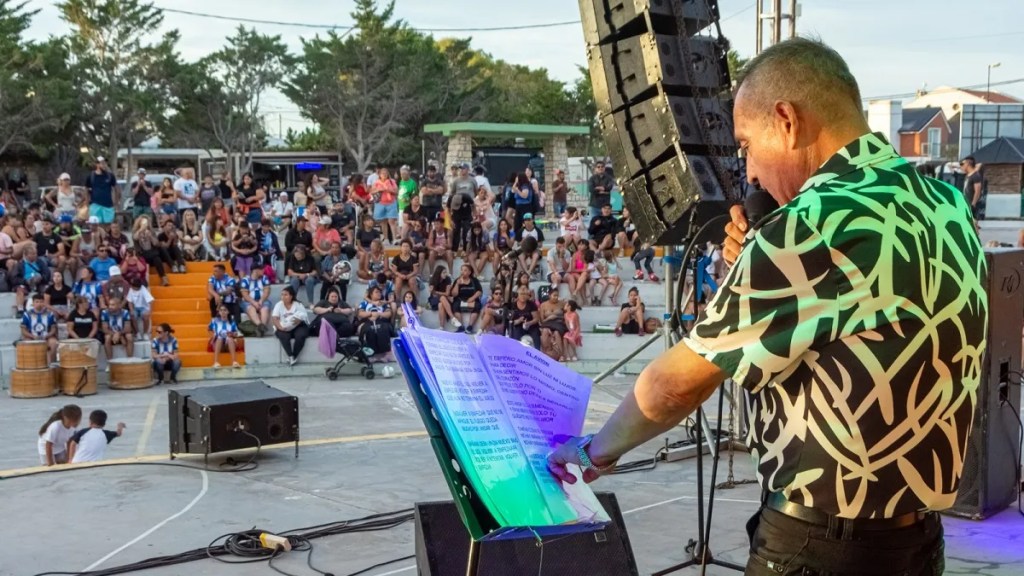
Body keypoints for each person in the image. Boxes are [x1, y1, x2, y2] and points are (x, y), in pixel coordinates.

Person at [548, 38, 986, 576]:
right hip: (917, 541)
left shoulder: (811, 223)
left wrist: (596, 451)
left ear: (787, 120)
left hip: (823, 546)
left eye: (748, 144)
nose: (749, 172)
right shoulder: (944, 203)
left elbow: (675, 383)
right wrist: (757, 262)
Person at [272, 286, 310, 366]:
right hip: (283, 325)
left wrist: (298, 321)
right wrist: (280, 327)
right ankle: (290, 355)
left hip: (299, 325)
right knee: (283, 336)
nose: (283, 297)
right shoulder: (278, 305)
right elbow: (275, 318)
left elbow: (304, 316)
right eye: (282, 295)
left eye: (285, 295)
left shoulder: (298, 305)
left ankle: (294, 356)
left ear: (291, 296)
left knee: (300, 336)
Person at [357, 285, 395, 362]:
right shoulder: (364, 303)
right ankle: (370, 354)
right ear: (371, 294)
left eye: (380, 292)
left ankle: (384, 354)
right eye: (376, 292)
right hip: (368, 321)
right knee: (369, 330)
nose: (379, 294)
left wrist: (379, 314)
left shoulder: (383, 304)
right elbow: (360, 314)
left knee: (383, 329)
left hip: (381, 321)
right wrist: (371, 314)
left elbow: (388, 314)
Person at [11, 245, 51, 317]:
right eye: (32, 254)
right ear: (26, 255)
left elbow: (47, 274)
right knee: (20, 289)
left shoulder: (40, 262)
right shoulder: (20, 264)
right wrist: (25, 281)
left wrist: (41, 278)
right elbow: (14, 278)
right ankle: (20, 309)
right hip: (25, 283)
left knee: (47, 289)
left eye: (35, 253)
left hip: (39, 283)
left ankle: (46, 308)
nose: (35, 255)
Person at [21, 293, 58, 363]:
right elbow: (23, 330)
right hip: (31, 336)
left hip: (47, 336)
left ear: (44, 302)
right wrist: (33, 336)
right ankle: (30, 364)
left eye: (41, 301)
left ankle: (52, 364)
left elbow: (53, 329)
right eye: (37, 302)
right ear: (33, 303)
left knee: (53, 343)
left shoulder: (50, 314)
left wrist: (47, 336)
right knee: (27, 342)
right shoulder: (27, 314)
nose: (39, 303)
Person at [133, 216, 170, 286]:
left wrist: (150, 236)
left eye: (146, 222)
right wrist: (141, 229)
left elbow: (156, 244)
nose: (145, 224)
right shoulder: (136, 232)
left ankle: (164, 278)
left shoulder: (151, 232)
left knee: (157, 258)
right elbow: (135, 238)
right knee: (155, 255)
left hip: (152, 255)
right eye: (143, 222)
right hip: (142, 255)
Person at [448, 163, 476, 254]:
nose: (462, 171)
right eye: (461, 169)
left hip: (468, 205)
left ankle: (465, 249)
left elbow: (476, 191)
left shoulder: (472, 180)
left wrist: (474, 210)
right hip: (458, 205)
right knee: (456, 229)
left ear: (467, 170)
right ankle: (455, 249)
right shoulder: (456, 181)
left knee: (466, 229)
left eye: (463, 169)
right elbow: (452, 193)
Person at [84, 157, 119, 224]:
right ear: (97, 164)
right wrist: (87, 203)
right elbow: (86, 189)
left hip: (108, 206)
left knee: (108, 225)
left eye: (105, 163)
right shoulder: (91, 176)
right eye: (102, 163)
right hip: (95, 205)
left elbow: (116, 188)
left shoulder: (110, 176)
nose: (104, 165)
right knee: (96, 225)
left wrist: (116, 203)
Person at [449, 264, 482, 334]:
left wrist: (472, 298)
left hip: (472, 300)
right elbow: (454, 294)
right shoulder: (457, 280)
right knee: (455, 305)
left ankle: (470, 327)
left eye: (465, 270)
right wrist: (457, 284)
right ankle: (461, 327)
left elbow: (479, 292)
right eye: (462, 270)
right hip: (460, 300)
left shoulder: (474, 280)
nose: (462, 272)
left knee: (477, 306)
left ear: (469, 272)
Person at [240, 267, 272, 336]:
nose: (263, 270)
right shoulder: (246, 280)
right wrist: (254, 302)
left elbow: (267, 292)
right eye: (261, 269)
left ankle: (261, 329)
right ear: (256, 270)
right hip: (248, 301)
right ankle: (261, 326)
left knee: (265, 308)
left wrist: (261, 301)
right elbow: (245, 295)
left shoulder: (264, 278)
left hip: (263, 300)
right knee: (250, 308)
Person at [371, 167, 400, 244]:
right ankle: (386, 238)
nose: (384, 175)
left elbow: (396, 191)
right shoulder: (376, 182)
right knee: (383, 221)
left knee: (391, 221)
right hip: (380, 203)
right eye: (383, 173)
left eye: (386, 173)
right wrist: (378, 190)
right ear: (380, 175)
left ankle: (394, 239)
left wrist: (388, 190)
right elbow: (372, 191)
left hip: (391, 203)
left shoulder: (392, 181)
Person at [101, 297, 134, 362]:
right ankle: (110, 362)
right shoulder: (105, 312)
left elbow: (128, 328)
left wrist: (119, 334)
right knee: (107, 338)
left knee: (129, 337)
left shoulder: (125, 312)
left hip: (122, 332)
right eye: (109, 304)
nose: (110, 306)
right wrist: (116, 334)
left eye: (113, 305)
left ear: (119, 305)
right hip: (111, 333)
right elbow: (105, 329)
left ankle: (130, 360)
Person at [209, 304, 240, 369]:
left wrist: (232, 334)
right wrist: (213, 336)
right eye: (221, 310)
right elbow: (209, 330)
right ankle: (216, 362)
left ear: (228, 312)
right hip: (218, 343)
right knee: (219, 338)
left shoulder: (232, 321)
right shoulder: (214, 321)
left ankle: (234, 362)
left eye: (225, 310)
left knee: (230, 339)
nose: (223, 312)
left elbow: (236, 334)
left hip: (228, 344)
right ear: (219, 312)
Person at [538, 289, 566, 360]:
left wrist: (557, 316)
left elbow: (566, 316)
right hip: (547, 323)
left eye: (557, 295)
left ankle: (560, 354)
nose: (556, 297)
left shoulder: (562, 303)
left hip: (559, 324)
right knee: (545, 331)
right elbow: (542, 321)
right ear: (549, 295)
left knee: (556, 333)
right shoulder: (543, 305)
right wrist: (549, 318)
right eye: (554, 295)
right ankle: (546, 353)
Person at [427, 265, 456, 330]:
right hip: (434, 299)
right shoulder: (432, 279)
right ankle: (452, 317)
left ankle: (441, 327)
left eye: (446, 272)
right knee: (442, 297)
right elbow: (433, 294)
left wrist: (436, 292)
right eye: (443, 272)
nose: (445, 274)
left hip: (444, 301)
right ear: (439, 273)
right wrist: (436, 292)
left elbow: (447, 293)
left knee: (441, 304)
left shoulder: (448, 279)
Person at [961, 156, 986, 220]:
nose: (962, 166)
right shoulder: (968, 176)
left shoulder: (975, 176)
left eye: (963, 164)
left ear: (968, 164)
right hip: (966, 203)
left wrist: (973, 204)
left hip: (972, 204)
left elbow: (977, 191)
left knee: (973, 224)